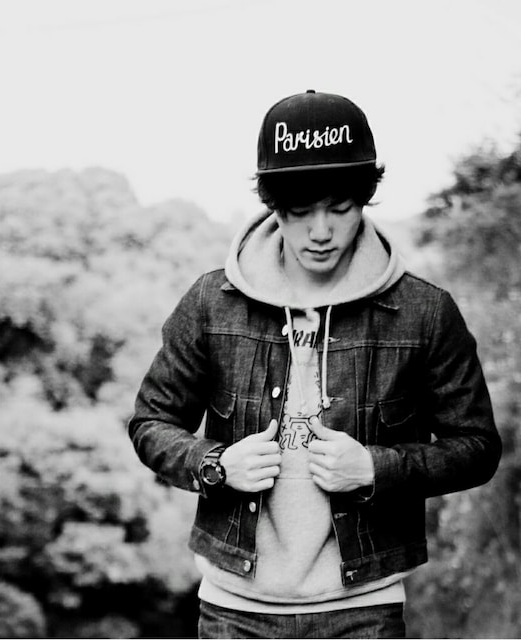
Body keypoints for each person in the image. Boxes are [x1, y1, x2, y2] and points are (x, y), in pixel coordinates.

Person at [127, 89, 501, 639]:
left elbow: (477, 448)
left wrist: (376, 468)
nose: (321, 231)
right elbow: (150, 423)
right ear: (274, 206)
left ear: (365, 199)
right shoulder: (211, 302)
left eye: (340, 208)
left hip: (365, 610)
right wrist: (216, 464)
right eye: (301, 212)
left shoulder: (424, 312)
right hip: (233, 612)